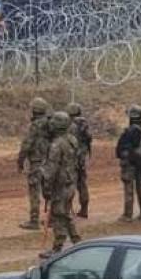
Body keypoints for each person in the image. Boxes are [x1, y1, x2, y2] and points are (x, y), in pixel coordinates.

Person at [40, 111, 80, 257]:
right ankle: (76, 241)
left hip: (60, 184)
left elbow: (51, 170)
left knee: (58, 215)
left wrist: (46, 188)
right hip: (70, 181)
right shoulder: (72, 139)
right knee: (65, 213)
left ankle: (57, 248)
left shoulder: (57, 144)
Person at [17, 97, 52, 230]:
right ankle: (52, 218)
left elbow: (27, 144)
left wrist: (20, 160)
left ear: (34, 111)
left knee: (34, 191)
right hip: (49, 162)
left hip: (36, 162)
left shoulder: (35, 125)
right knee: (48, 190)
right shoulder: (50, 124)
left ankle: (34, 220)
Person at [115, 105, 141, 222]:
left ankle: (127, 215)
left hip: (129, 164)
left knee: (129, 189)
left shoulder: (128, 132)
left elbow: (120, 150)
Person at [66, 102, 92, 218]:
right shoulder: (84, 124)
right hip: (82, 159)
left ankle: (66, 211)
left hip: (73, 159)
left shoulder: (71, 126)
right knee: (82, 185)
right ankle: (84, 209)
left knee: (69, 184)